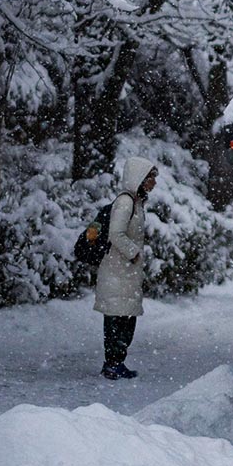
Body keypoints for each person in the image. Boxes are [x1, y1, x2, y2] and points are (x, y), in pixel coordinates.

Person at [93, 156, 159, 380]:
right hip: (117, 270)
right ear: (139, 178)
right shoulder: (125, 202)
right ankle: (112, 363)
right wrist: (134, 253)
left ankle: (117, 362)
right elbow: (115, 234)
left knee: (126, 318)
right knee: (116, 318)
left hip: (127, 272)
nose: (153, 182)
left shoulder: (137, 202)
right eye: (151, 177)